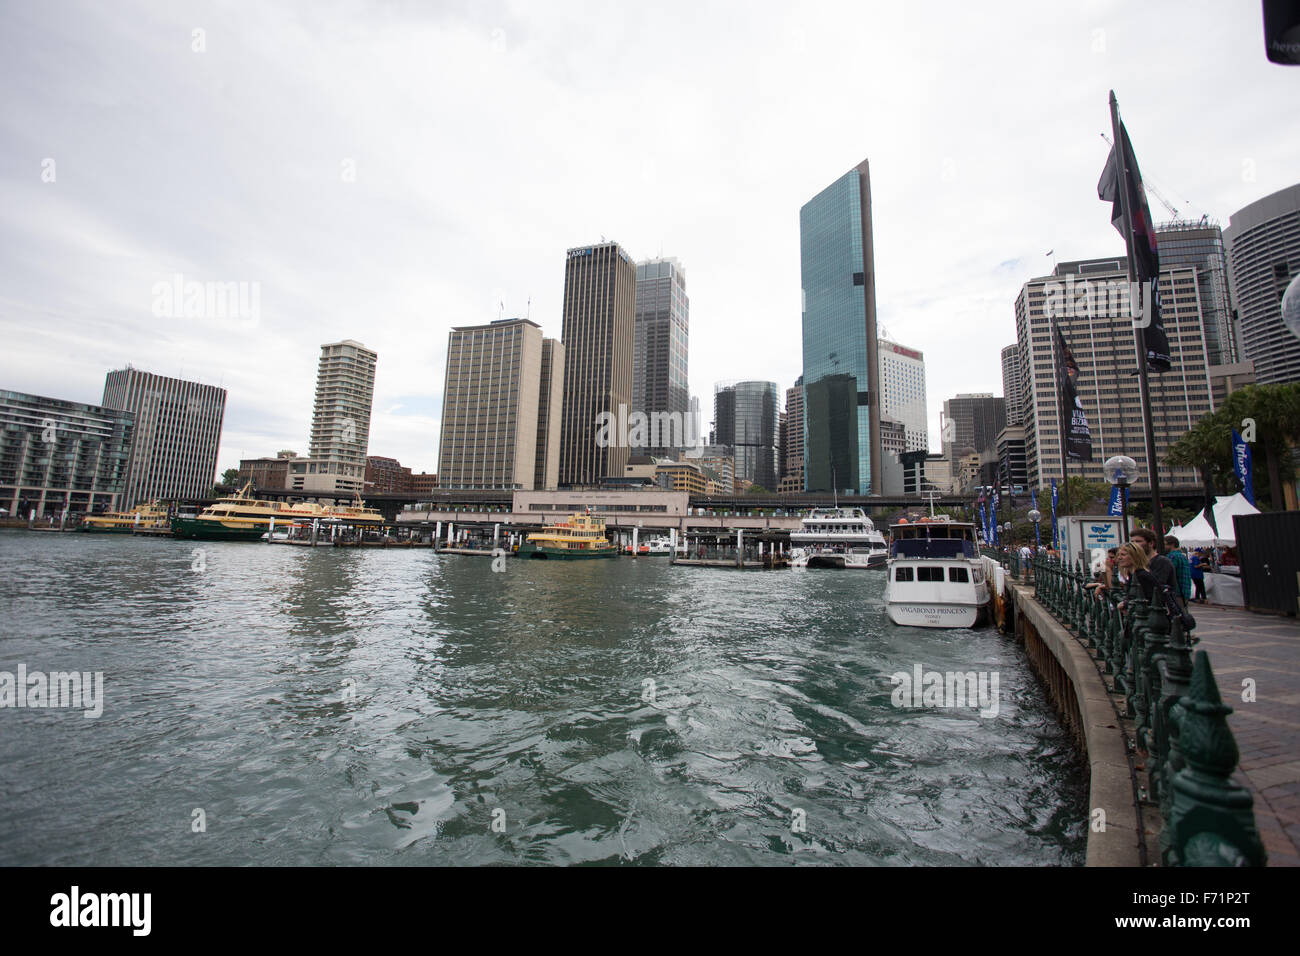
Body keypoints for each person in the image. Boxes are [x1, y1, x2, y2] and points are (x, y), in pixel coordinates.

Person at [1130, 528, 1176, 597]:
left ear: (1151, 543)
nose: (1134, 545)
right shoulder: (1137, 562)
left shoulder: (1162, 562)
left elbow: (1156, 587)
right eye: (1132, 542)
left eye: (1138, 541)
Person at [1164, 535, 1192, 607]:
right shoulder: (1182, 556)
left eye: (1165, 544)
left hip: (1176, 592)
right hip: (1184, 592)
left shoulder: (1172, 556)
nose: (1163, 547)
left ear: (1172, 545)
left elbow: (1167, 573)